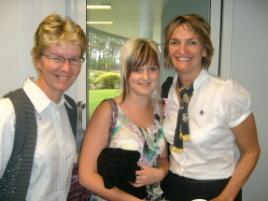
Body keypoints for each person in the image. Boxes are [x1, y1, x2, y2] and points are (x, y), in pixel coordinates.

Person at [161, 14, 260, 201]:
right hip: (174, 187)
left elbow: (252, 151)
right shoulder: (168, 90)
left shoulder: (226, 92)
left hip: (217, 189)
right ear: (168, 49)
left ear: (205, 50)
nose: (182, 49)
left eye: (192, 42)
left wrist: (226, 197)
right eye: (174, 42)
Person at [0, 13, 87, 201]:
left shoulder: (70, 110)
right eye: (57, 58)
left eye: (74, 59)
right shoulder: (9, 113)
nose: (66, 68)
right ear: (38, 60)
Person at [79, 38, 169, 201]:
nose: (146, 76)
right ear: (126, 72)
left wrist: (160, 173)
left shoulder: (159, 109)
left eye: (152, 68)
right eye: (138, 69)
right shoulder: (108, 111)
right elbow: (86, 176)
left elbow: (163, 158)